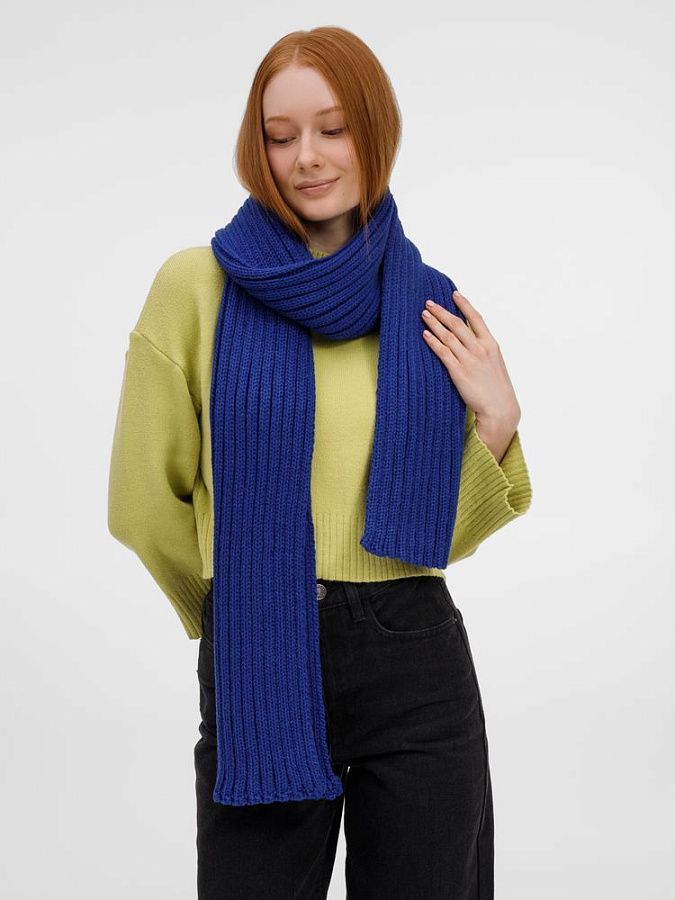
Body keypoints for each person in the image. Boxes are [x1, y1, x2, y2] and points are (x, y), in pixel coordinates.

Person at [107, 25, 532, 900]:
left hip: (416, 659)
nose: (306, 156)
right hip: (260, 649)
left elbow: (431, 538)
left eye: (332, 128)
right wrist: (233, 609)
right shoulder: (197, 286)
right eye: (280, 134)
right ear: (254, 145)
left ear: (374, 130)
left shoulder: (427, 305)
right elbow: (142, 500)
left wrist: (495, 420)